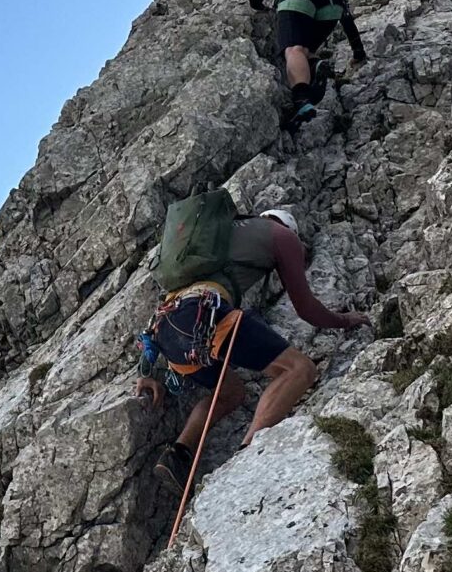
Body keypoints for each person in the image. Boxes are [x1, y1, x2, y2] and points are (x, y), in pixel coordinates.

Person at [136, 205, 368, 485]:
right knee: (299, 370)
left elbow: (173, 308)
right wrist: (345, 320)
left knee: (230, 393)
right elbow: (306, 308)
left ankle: (178, 453)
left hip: (169, 328)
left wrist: (148, 373)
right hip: (207, 314)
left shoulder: (217, 237)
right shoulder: (283, 236)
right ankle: (249, 452)